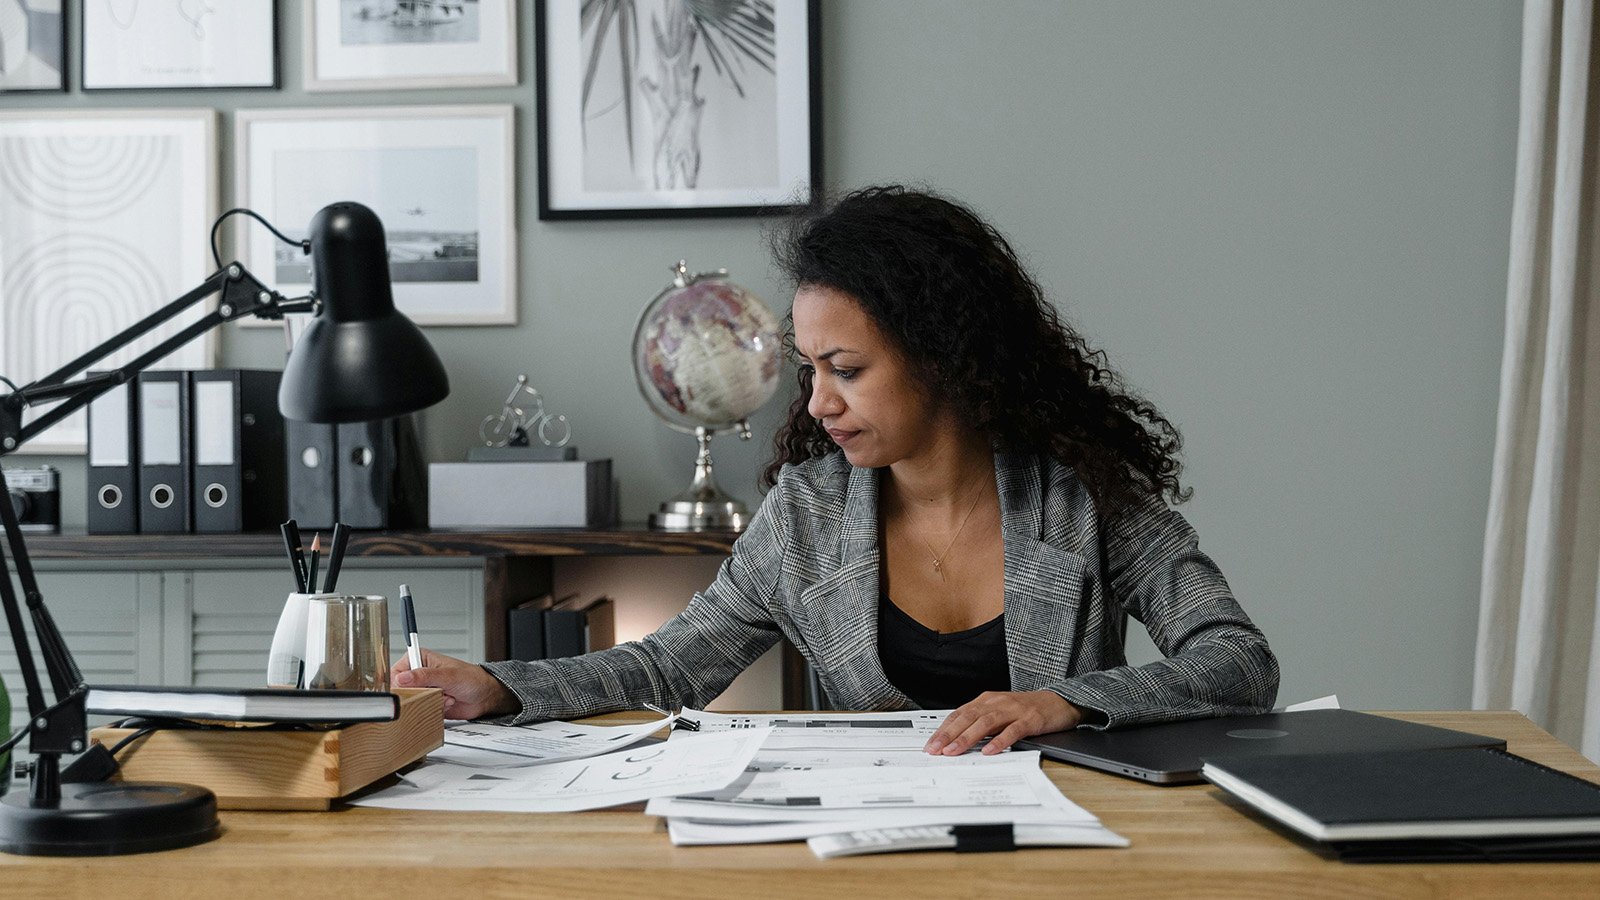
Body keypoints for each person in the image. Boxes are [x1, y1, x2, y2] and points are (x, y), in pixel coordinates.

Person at [394, 185, 1279, 756]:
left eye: (846, 370)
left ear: (942, 356)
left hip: (1061, 848)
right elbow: (669, 670)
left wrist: (1070, 703)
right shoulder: (806, 517)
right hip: (867, 858)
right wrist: (503, 684)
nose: (817, 403)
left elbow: (1237, 660)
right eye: (810, 368)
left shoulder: (1082, 496)